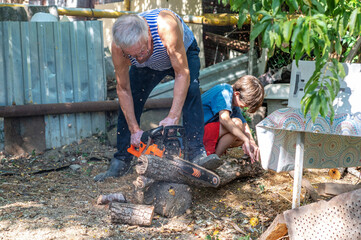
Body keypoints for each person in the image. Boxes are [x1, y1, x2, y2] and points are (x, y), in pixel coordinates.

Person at [94, 9, 218, 181]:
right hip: (150, 65)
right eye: (133, 56)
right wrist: (134, 130)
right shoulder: (120, 48)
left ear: (148, 34)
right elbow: (123, 89)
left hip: (183, 52)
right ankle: (122, 159)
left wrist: (173, 117)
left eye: (141, 51)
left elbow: (182, 74)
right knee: (130, 100)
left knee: (191, 91)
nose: (139, 57)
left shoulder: (166, 26)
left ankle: (196, 153)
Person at [201, 75, 264, 163]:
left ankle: (214, 159)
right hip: (195, 134)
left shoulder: (232, 98)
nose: (243, 107)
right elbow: (224, 119)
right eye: (244, 105)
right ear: (237, 94)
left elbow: (244, 123)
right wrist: (245, 139)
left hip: (206, 132)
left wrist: (251, 141)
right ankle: (211, 158)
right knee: (237, 125)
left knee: (240, 136)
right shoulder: (224, 91)